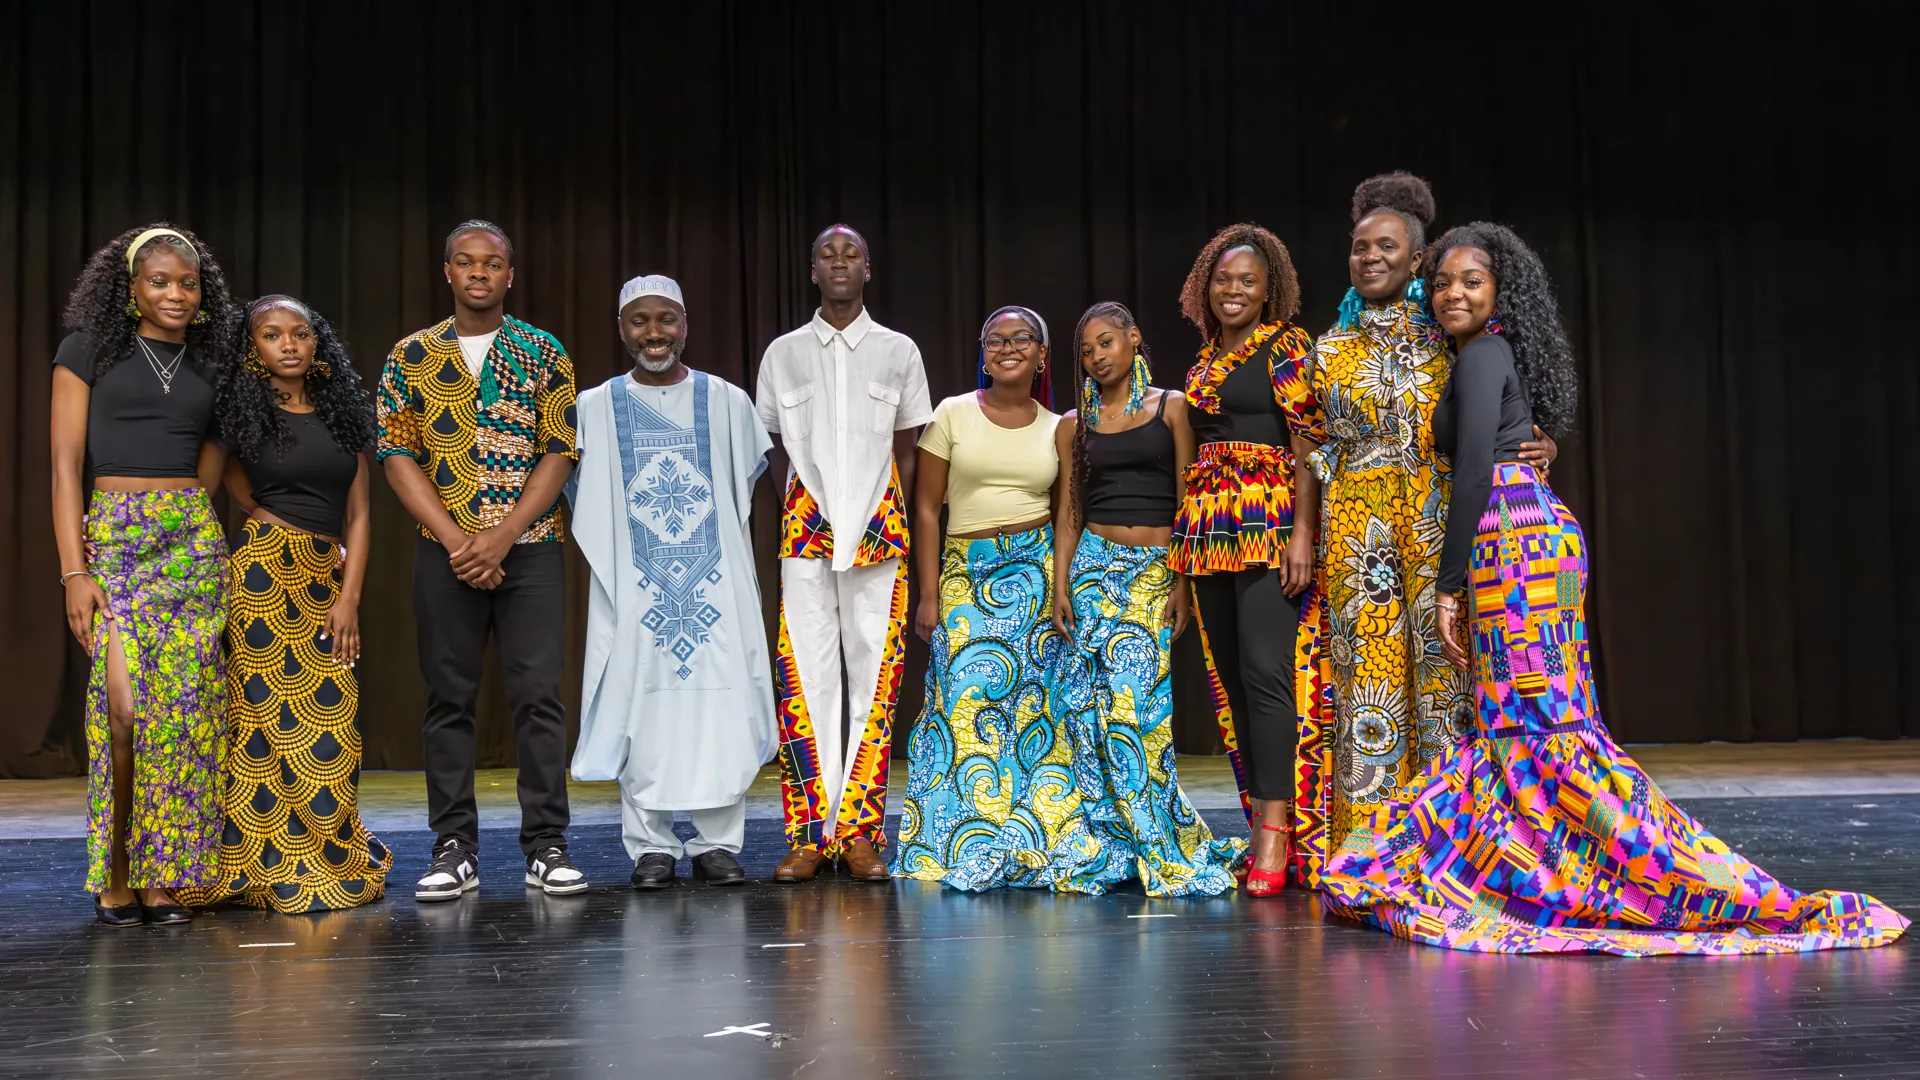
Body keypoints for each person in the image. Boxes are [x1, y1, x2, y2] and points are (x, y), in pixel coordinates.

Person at [1319, 223, 1909, 954]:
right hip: (1536, 531)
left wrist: (1446, 588)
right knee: (1532, 722)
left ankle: (1638, 872)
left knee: (1533, 724)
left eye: (1471, 281)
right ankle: (1557, 866)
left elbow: (1474, 471)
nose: (1452, 294)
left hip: (1507, 537)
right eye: (1441, 282)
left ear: (1502, 289)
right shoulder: (1489, 354)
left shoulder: (1480, 357)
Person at [1300, 174, 1556, 886]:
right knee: (1367, 691)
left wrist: (1541, 447)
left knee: (1446, 687)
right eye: (1358, 248)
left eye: (1387, 247)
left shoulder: (1452, 334)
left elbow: (1502, 421)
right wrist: (1304, 530)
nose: (1369, 258)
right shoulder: (1325, 351)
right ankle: (1367, 858)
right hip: (1358, 533)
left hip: (1442, 524)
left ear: (1417, 261)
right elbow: (1313, 452)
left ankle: (1447, 858)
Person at [375, 219, 586, 900]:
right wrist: (459, 540)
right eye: (465, 263)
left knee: (538, 698)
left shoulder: (543, 351)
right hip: (445, 555)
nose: (478, 273)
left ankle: (546, 844)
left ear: (509, 275)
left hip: (531, 552)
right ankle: (453, 846)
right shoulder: (411, 356)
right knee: (449, 700)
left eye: (491, 264)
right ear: (447, 272)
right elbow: (396, 454)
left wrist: (502, 536)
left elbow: (559, 450)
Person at [176, 295, 390, 912]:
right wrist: (264, 517)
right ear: (253, 347)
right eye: (272, 335)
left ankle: (323, 853)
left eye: (300, 334)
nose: (289, 345)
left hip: (326, 578)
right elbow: (208, 490)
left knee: (331, 723)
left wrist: (349, 598)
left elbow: (360, 514)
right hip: (263, 576)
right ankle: (257, 864)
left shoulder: (343, 412)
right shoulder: (239, 413)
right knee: (263, 727)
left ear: (316, 342)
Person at [51, 224, 234, 926]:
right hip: (116, 543)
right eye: (160, 281)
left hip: (190, 547)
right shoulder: (87, 350)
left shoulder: (212, 362)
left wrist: (186, 515)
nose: (176, 294)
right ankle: (116, 868)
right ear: (131, 290)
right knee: (123, 714)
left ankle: (163, 876)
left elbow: (213, 467)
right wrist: (74, 569)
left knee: (182, 720)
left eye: (188, 283)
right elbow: (66, 468)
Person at [569, 275, 775, 890]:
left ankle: (717, 843)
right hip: (636, 585)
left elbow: (742, 490)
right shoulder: (594, 407)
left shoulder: (730, 402)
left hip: (716, 585)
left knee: (722, 702)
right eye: (639, 320)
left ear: (685, 325)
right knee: (642, 706)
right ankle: (651, 846)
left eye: (666, 319)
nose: (653, 332)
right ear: (621, 328)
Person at [755, 224, 932, 883]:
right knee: (807, 682)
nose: (838, 262)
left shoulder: (897, 351)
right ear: (812, 270)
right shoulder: (784, 353)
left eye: (850, 253)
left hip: (882, 534)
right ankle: (809, 835)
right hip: (805, 533)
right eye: (826, 254)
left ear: (868, 268)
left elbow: (909, 448)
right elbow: (772, 444)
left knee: (875, 687)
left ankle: (859, 834)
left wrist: (889, 518)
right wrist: (804, 507)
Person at [1049, 301, 1244, 897]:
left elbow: (1191, 498)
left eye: (1105, 342)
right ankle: (1112, 840)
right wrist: (1060, 584)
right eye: (1085, 350)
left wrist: (1182, 581)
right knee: (1092, 714)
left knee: (1142, 717)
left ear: (1134, 338)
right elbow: (1071, 510)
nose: (1095, 356)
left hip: (1153, 570)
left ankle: (1157, 836)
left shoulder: (1172, 407)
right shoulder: (1073, 422)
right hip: (1092, 568)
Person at [892, 305, 1089, 890]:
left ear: (1042, 355)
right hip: (965, 571)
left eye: (1021, 338)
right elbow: (926, 509)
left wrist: (1060, 587)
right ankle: (960, 835)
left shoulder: (1061, 426)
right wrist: (929, 594)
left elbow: (1066, 516)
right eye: (994, 340)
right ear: (983, 353)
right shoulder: (952, 414)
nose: (1007, 347)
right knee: (966, 701)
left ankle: (1030, 833)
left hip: (1033, 569)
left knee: (1034, 708)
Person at [1171, 225, 1321, 895]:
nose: (1233, 290)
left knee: (1267, 677)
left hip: (1268, 521)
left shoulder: (1287, 347)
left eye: (1247, 281)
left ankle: (1276, 832)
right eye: (1223, 280)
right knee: (1230, 681)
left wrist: (1302, 536)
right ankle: (1258, 815)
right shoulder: (1203, 359)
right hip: (1208, 529)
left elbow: (1310, 443)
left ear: (1270, 292)